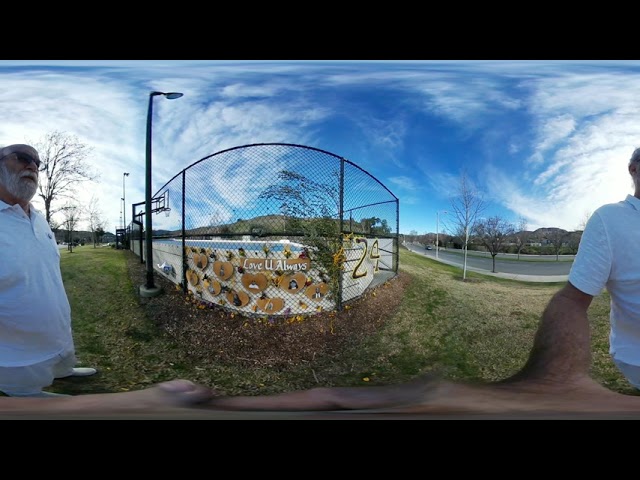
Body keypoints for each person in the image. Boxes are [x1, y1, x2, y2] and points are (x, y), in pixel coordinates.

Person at [0, 144, 97, 398]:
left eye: (36, 163)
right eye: (22, 158)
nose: (32, 165)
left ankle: (63, 371)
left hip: (58, 334)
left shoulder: (39, 218)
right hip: (16, 356)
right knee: (27, 398)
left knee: (62, 362)